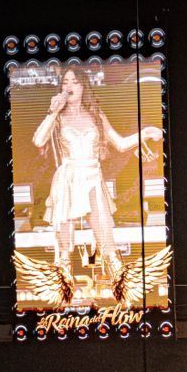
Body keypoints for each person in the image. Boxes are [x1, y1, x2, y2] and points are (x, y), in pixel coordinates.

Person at [30, 65, 163, 289]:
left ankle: (123, 290)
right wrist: (52, 112)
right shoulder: (58, 117)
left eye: (74, 82)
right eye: (65, 82)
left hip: (92, 178)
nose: (70, 86)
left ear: (83, 86)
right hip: (68, 180)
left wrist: (146, 133)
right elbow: (38, 140)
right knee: (64, 250)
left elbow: (120, 144)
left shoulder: (95, 115)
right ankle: (63, 294)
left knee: (107, 243)